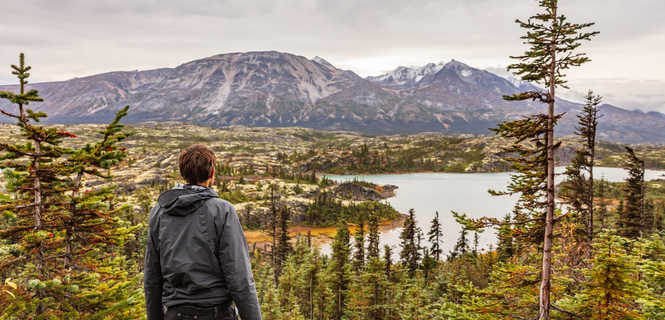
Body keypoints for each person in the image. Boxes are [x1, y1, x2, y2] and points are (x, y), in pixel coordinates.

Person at [144, 144, 262, 320]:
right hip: (216, 314)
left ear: (183, 174)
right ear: (212, 173)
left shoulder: (159, 212)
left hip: (175, 314)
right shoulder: (223, 210)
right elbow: (240, 278)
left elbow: (152, 278)